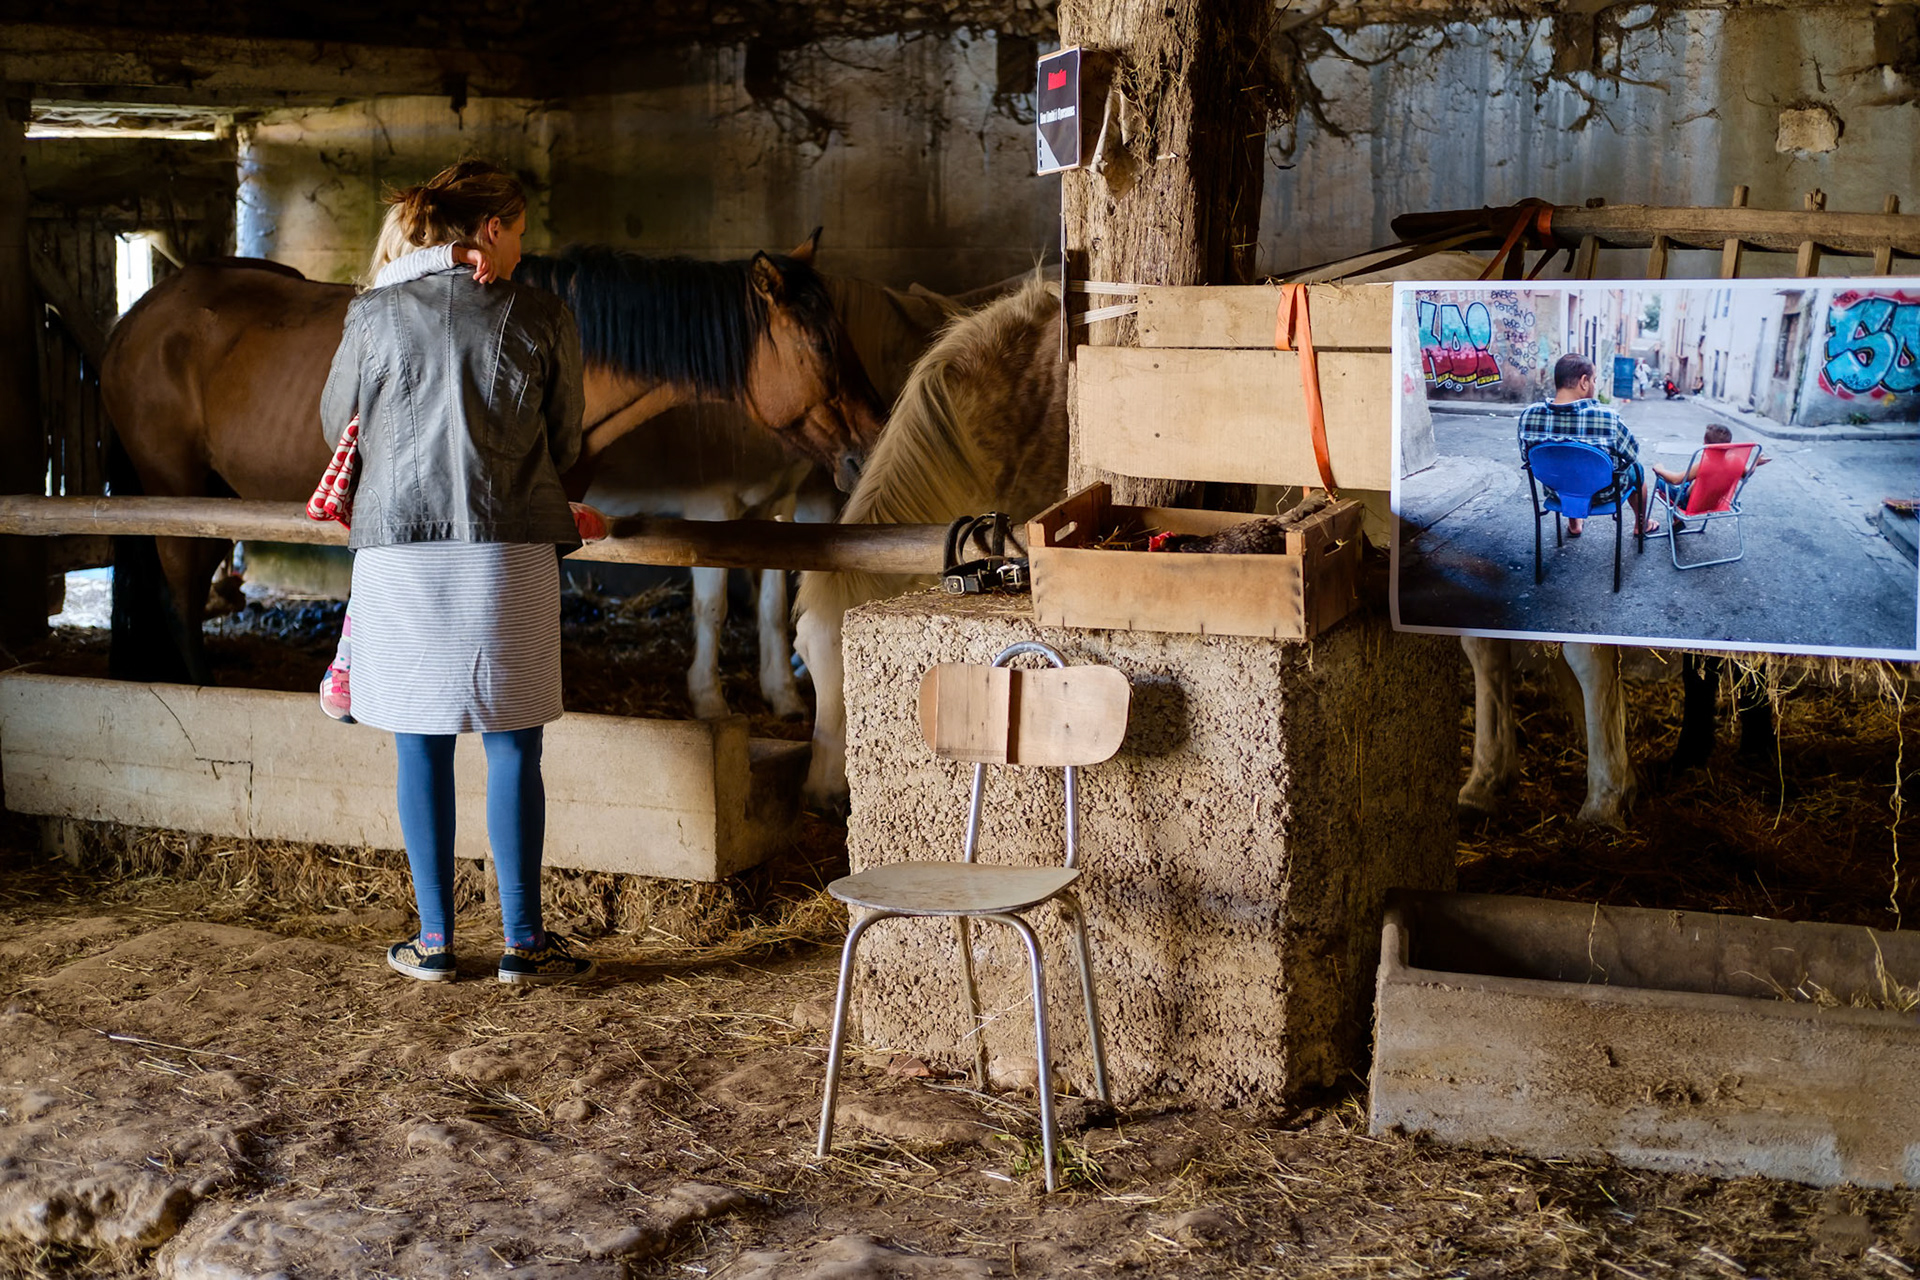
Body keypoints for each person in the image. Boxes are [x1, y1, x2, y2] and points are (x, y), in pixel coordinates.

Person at [319, 158, 593, 985]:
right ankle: (523, 945)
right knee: (513, 745)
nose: (520, 255)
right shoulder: (541, 314)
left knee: (419, 744)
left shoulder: (372, 313)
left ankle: (435, 944)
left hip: (398, 551)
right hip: (508, 548)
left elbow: (339, 421)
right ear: (495, 228)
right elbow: (568, 440)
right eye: (519, 237)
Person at [1518, 353, 1657, 538]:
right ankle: (1642, 524)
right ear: (1584, 381)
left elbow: (1526, 457)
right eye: (1594, 380)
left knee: (1565, 467)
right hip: (1603, 494)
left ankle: (1574, 523)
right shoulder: (1608, 419)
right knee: (1637, 469)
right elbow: (1632, 454)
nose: (1593, 385)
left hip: (1557, 493)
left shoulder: (1529, 416)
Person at [1650, 422, 1770, 528]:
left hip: (1690, 503)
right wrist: (1756, 463)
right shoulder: (1736, 461)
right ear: (1729, 444)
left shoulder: (1702, 466)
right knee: (1690, 481)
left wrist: (1660, 469)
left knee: (1661, 483)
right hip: (1716, 501)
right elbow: (1747, 473)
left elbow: (1676, 480)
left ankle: (1676, 519)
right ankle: (1677, 520)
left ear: (1705, 444)